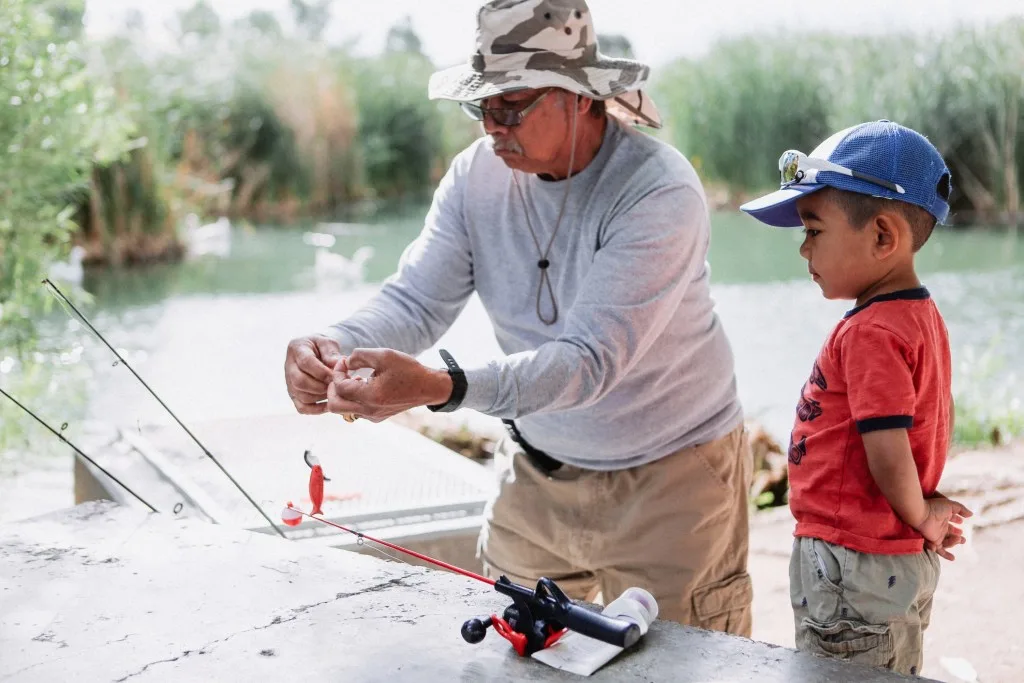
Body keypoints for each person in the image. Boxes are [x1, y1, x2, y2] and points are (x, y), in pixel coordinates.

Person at [284, 0, 753, 633]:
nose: (492, 128)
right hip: (535, 474)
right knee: (512, 660)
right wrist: (333, 343)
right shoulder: (474, 177)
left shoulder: (657, 190)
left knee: (685, 669)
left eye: (512, 107)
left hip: (670, 485)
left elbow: (587, 363)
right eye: (482, 106)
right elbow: (417, 300)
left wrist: (439, 388)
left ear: (581, 97)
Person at [740, 120, 974, 674]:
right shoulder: (918, 315)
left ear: (883, 237)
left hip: (853, 561)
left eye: (814, 230)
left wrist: (922, 516)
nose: (803, 249)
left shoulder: (871, 330)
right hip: (887, 558)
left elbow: (888, 446)